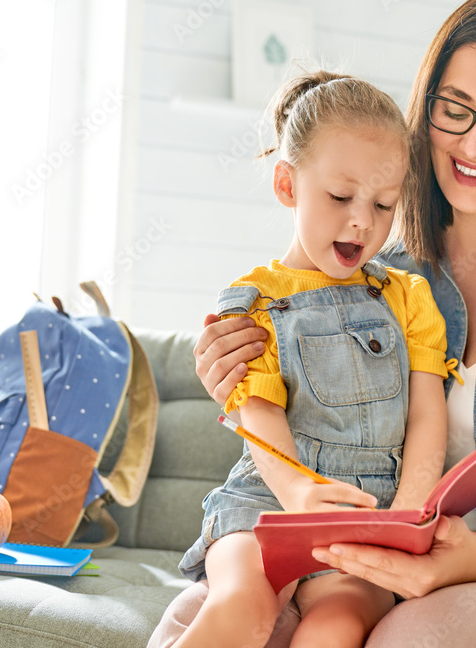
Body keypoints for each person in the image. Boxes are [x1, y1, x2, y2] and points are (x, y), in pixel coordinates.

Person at [162, 0, 476, 647]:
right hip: (366, 556)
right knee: (188, 622)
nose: (474, 146)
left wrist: (466, 559)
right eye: (455, 110)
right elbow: (274, 398)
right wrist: (229, 367)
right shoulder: (373, 270)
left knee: (409, 639)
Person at [151, 71, 453, 648]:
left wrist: (408, 515)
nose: (362, 220)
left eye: (384, 204)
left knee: (334, 628)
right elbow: (258, 416)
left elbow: (426, 415)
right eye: (340, 197)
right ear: (287, 185)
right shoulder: (253, 302)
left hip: (366, 517)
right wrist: (295, 495)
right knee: (242, 608)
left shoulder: (409, 298)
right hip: (266, 503)